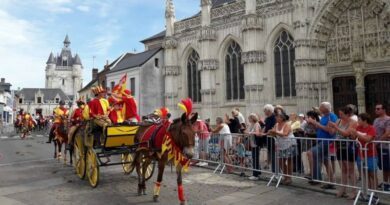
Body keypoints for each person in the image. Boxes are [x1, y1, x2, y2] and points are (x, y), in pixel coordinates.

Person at [328, 106, 358, 199]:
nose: (339, 116)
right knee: (343, 170)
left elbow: (346, 133)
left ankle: (353, 191)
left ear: (348, 114)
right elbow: (332, 133)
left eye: (342, 114)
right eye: (339, 114)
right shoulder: (338, 121)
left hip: (349, 147)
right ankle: (343, 189)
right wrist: (330, 127)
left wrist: (335, 127)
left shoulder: (353, 122)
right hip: (339, 147)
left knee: (350, 170)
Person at [306, 102, 337, 188]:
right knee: (326, 161)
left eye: (321, 107)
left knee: (310, 152)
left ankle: (316, 177)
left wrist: (315, 123)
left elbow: (329, 130)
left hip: (326, 141)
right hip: (321, 140)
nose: (319, 108)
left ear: (325, 108)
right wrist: (313, 124)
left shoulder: (332, 116)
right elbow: (320, 128)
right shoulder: (324, 117)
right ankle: (331, 182)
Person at [352, 113, 378, 194]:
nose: (358, 121)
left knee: (372, 174)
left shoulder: (371, 128)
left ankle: (374, 192)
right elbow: (354, 138)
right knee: (364, 174)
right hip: (361, 154)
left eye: (359, 119)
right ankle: (367, 192)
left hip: (371, 155)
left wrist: (356, 133)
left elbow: (368, 139)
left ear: (365, 120)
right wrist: (352, 133)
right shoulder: (358, 127)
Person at [268, 112, 297, 185]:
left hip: (289, 144)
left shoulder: (287, 124)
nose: (276, 118)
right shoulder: (276, 124)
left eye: (277, 117)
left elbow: (285, 134)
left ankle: (289, 178)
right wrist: (270, 132)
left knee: (289, 161)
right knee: (281, 161)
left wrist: (275, 132)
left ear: (282, 118)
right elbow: (273, 133)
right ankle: (285, 176)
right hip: (281, 145)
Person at [373, 103, 390, 191]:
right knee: (382, 166)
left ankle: (387, 183)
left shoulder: (388, 119)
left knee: (387, 166)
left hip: (385, 146)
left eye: (378, 109)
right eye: (376, 109)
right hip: (377, 146)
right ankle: (385, 182)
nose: (376, 110)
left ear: (384, 110)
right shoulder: (375, 120)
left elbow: (387, 133)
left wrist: (377, 142)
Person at [245, 113, 263, 180]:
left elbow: (257, 133)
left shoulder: (256, 124)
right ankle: (257, 172)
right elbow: (246, 131)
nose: (248, 119)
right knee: (254, 158)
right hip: (252, 143)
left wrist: (250, 133)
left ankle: (255, 175)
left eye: (249, 118)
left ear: (252, 118)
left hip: (256, 144)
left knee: (255, 158)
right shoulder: (251, 125)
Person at [303, 111, 320, 180]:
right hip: (309, 141)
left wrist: (313, 123)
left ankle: (315, 174)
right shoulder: (307, 123)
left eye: (309, 116)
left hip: (315, 141)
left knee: (314, 158)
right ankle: (311, 172)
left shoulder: (317, 122)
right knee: (309, 157)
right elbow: (305, 130)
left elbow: (317, 130)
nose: (308, 118)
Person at [263, 104, 277, 174]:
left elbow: (274, 128)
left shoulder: (274, 118)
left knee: (274, 155)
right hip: (268, 139)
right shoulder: (267, 118)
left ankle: (275, 172)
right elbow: (265, 127)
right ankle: (273, 170)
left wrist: (269, 132)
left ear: (269, 111)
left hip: (273, 139)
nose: (264, 112)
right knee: (270, 153)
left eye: (265, 110)